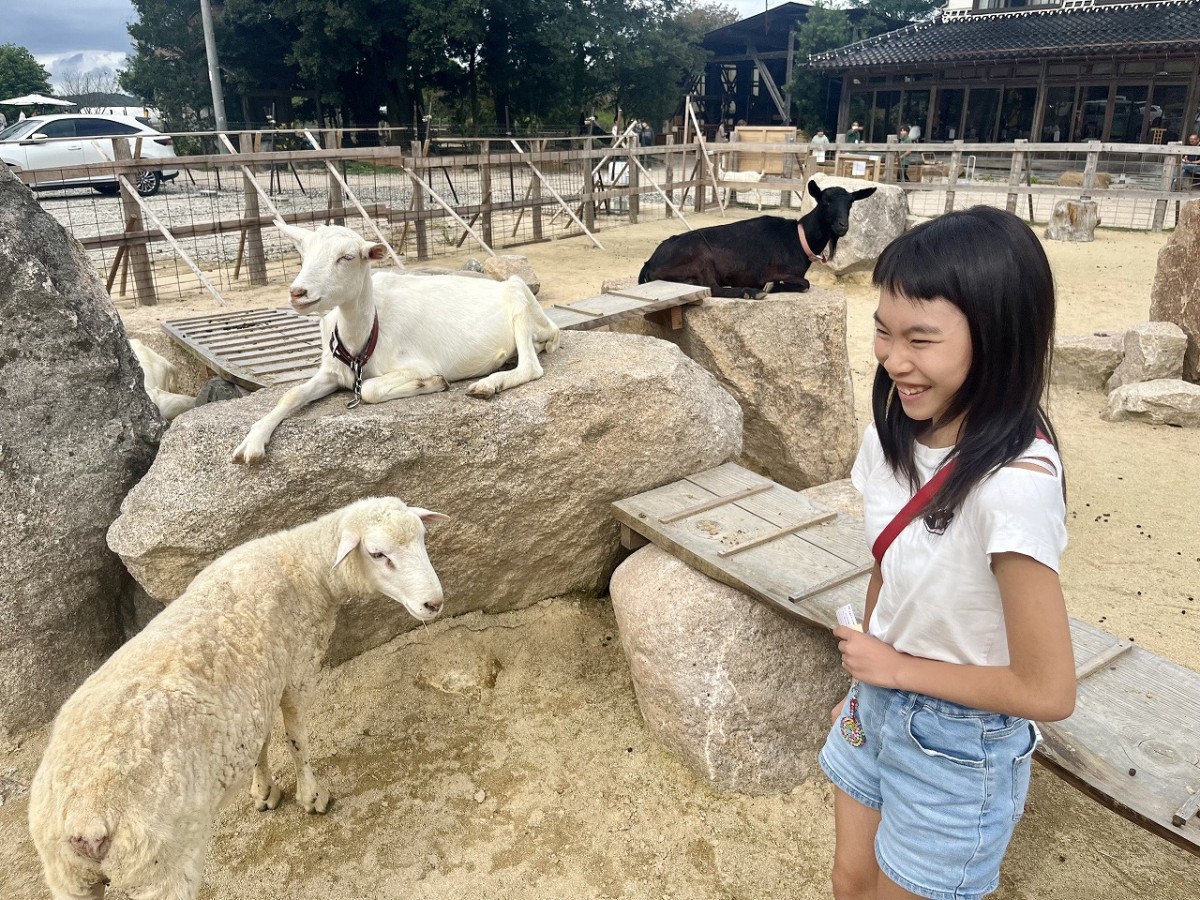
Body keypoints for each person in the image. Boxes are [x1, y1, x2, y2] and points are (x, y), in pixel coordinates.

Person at [820, 206, 1075, 900]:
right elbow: (888, 558)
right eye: (882, 329)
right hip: (875, 706)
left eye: (921, 339)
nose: (894, 358)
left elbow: (1048, 690)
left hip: (960, 748)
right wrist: (876, 656)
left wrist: (896, 668)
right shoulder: (893, 436)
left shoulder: (1013, 488)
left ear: (996, 336)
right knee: (850, 880)